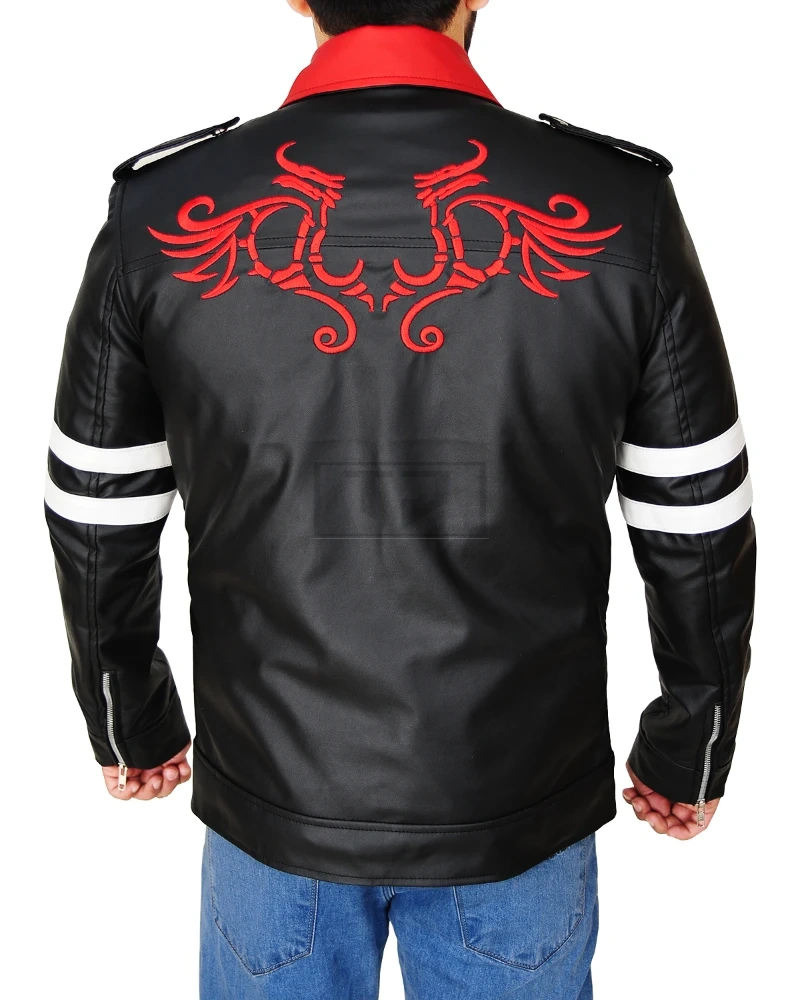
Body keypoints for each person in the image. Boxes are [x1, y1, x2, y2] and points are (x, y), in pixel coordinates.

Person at [43, 1, 756, 997]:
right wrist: (692, 738)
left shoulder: (165, 209)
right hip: (514, 807)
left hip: (274, 802)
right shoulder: (614, 205)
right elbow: (694, 511)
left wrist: (130, 714)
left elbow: (99, 506)